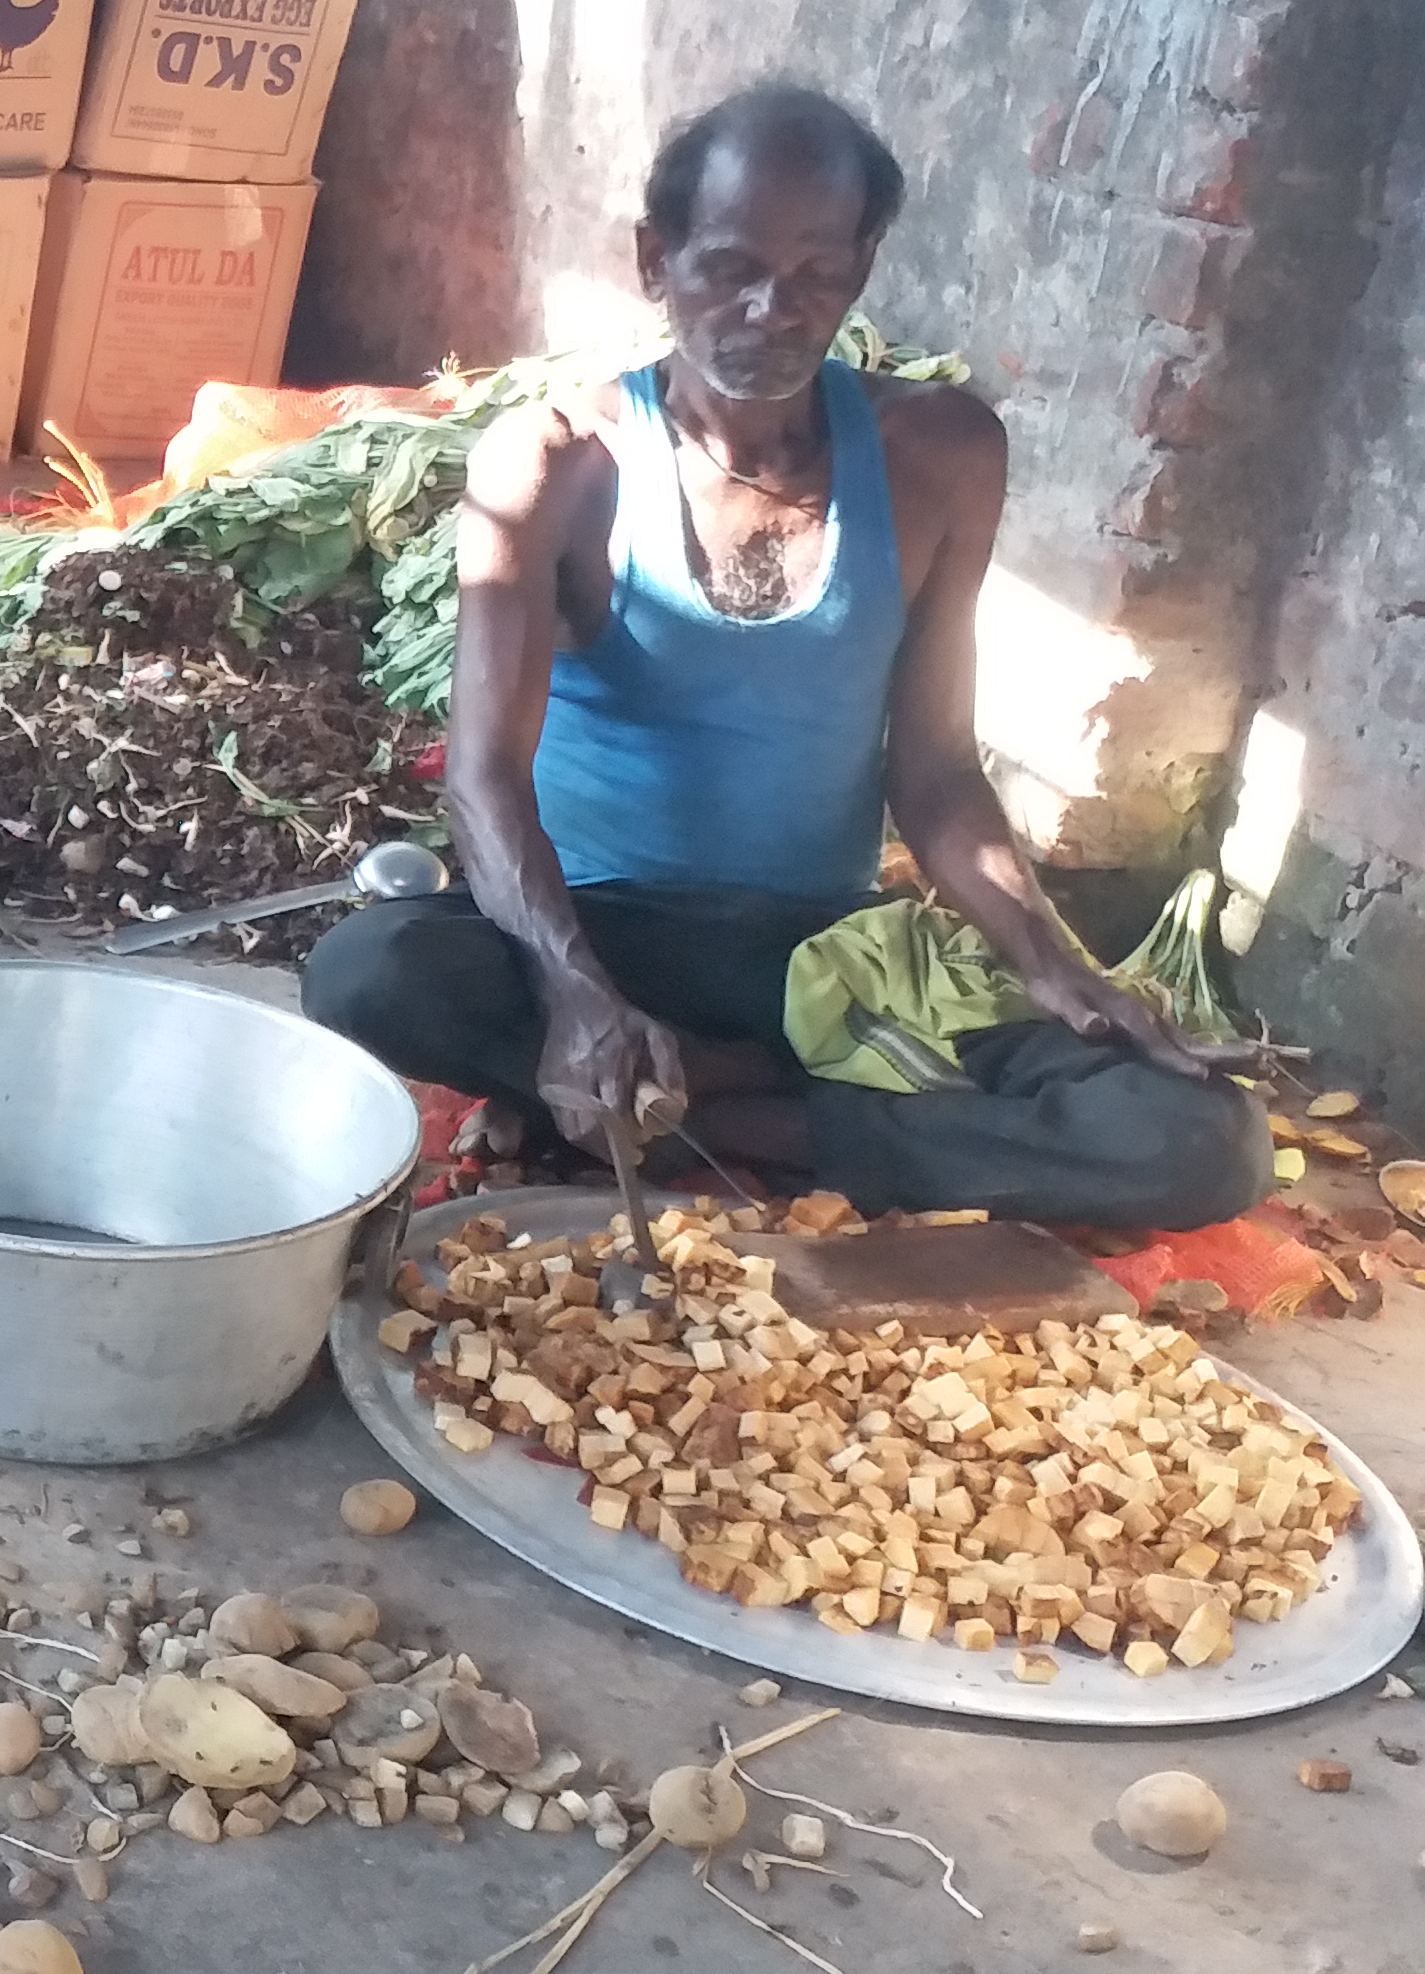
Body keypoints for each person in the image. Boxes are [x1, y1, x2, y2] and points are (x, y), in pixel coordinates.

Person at [304, 82, 1261, 1232]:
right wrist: (575, 994)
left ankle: (715, 1113)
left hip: (819, 963)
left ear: (861, 269)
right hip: (603, 927)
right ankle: (722, 1093)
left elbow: (940, 775)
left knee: (1203, 1142)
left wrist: (1050, 960)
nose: (770, 306)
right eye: (727, 266)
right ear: (655, 258)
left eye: (817, 272)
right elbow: (483, 780)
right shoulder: (557, 464)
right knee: (368, 973)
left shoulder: (940, 454)